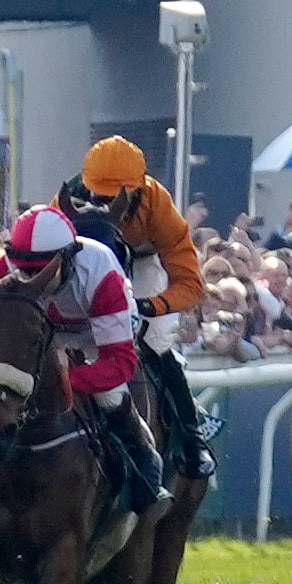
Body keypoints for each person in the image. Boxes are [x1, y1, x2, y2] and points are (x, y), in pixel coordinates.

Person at [59, 134, 217, 520]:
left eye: (118, 193)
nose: (107, 201)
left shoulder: (158, 205)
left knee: (155, 340)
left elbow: (191, 284)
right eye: (100, 192)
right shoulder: (64, 202)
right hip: (85, 264)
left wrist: (150, 305)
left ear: (141, 186)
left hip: (143, 266)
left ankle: (191, 436)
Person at [0, 196, 157, 521]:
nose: (32, 281)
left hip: (96, 331)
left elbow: (120, 362)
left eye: (41, 272)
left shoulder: (100, 272)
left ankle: (141, 455)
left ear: (67, 258)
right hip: (40, 330)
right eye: (25, 271)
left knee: (109, 395)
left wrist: (65, 380)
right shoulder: (3, 270)